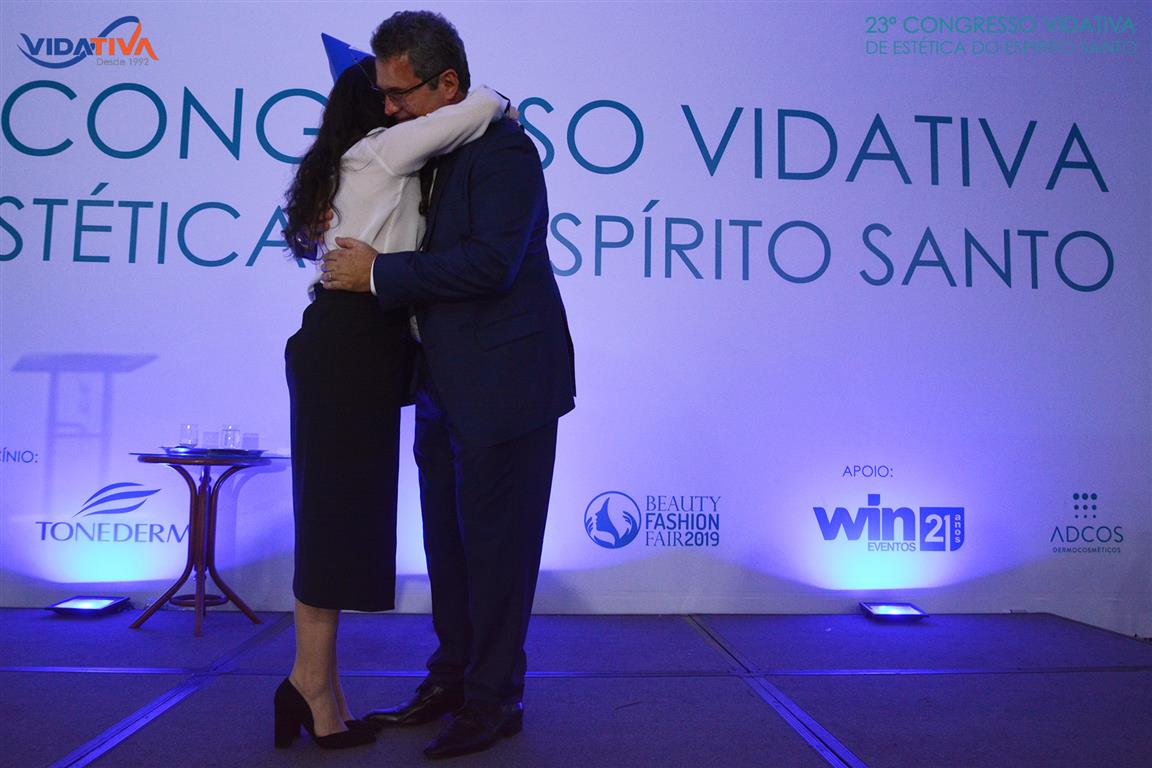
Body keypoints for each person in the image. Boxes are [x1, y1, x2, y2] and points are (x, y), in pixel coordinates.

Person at [320, 10, 576, 760]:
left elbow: (491, 265)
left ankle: (495, 700)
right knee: (449, 548)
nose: (388, 107)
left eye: (399, 93)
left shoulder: (506, 153)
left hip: (507, 385)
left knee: (497, 552)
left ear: (448, 84)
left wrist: (379, 274)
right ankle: (453, 679)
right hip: (441, 383)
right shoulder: (427, 151)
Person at [277, 46, 508, 750]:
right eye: (383, 95)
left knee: (338, 518)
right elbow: (476, 109)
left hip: (354, 347)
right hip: (349, 346)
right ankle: (310, 687)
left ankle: (318, 687)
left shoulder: (361, 159)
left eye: (398, 94)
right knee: (332, 521)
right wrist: (496, 97)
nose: (394, 104)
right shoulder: (380, 150)